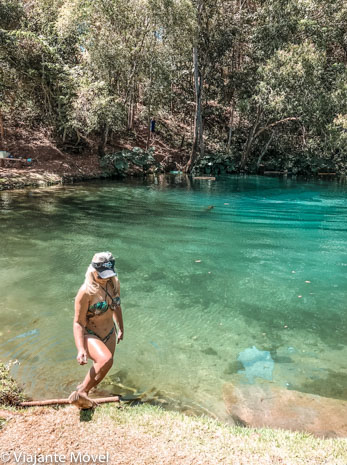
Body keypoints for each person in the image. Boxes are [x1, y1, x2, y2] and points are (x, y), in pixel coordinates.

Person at [69, 251, 124, 408]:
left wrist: (121, 328)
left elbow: (117, 306)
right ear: (93, 271)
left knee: (106, 365)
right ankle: (83, 392)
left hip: (109, 333)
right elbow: (78, 323)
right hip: (90, 334)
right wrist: (80, 349)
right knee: (105, 359)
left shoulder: (113, 283)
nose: (105, 278)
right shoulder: (85, 292)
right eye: (101, 275)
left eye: (108, 275)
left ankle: (87, 392)